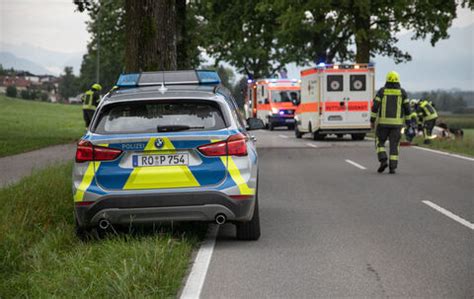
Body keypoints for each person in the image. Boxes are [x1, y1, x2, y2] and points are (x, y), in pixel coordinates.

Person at [370, 71, 416, 174]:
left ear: (387, 80)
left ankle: (383, 160)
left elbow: (375, 107)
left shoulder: (382, 92)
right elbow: (408, 110)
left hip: (383, 124)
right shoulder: (402, 92)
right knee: (394, 145)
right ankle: (392, 167)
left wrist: (372, 121)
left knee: (379, 142)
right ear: (398, 80)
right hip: (397, 125)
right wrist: (409, 124)